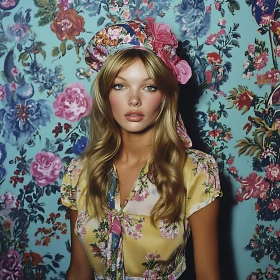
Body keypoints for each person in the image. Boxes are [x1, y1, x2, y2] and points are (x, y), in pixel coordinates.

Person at [61, 18, 222, 280]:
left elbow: (208, 275)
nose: (134, 99)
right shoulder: (79, 173)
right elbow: (79, 271)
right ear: (105, 94)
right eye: (120, 85)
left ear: (165, 96)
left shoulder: (196, 172)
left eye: (149, 87)